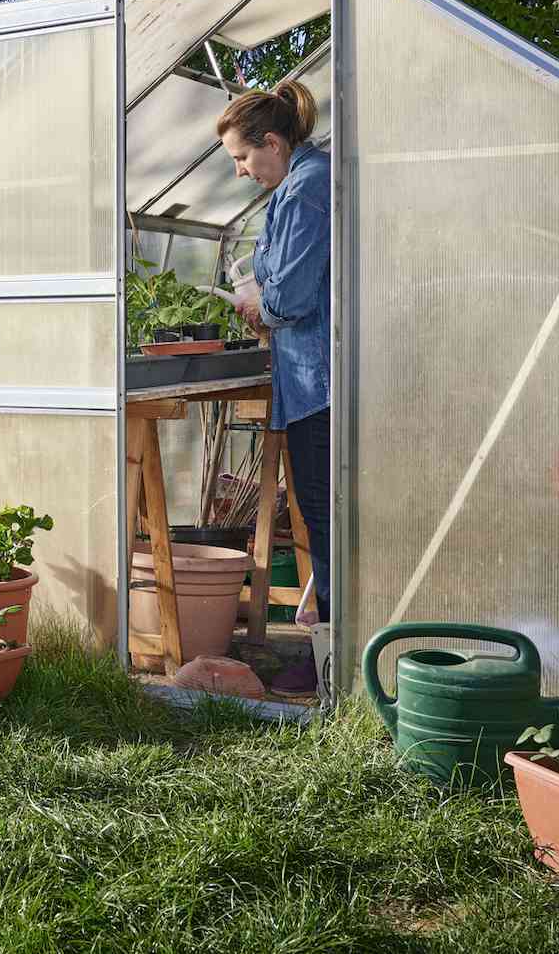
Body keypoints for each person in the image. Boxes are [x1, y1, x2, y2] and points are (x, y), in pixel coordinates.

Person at [216, 80, 329, 695]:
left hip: (322, 384)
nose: (239, 172)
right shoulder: (294, 186)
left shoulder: (310, 187)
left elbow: (292, 291)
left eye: (242, 157)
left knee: (326, 516)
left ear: (273, 141)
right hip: (309, 381)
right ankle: (329, 647)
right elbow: (267, 267)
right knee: (321, 513)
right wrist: (264, 289)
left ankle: (329, 660)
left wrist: (265, 302)